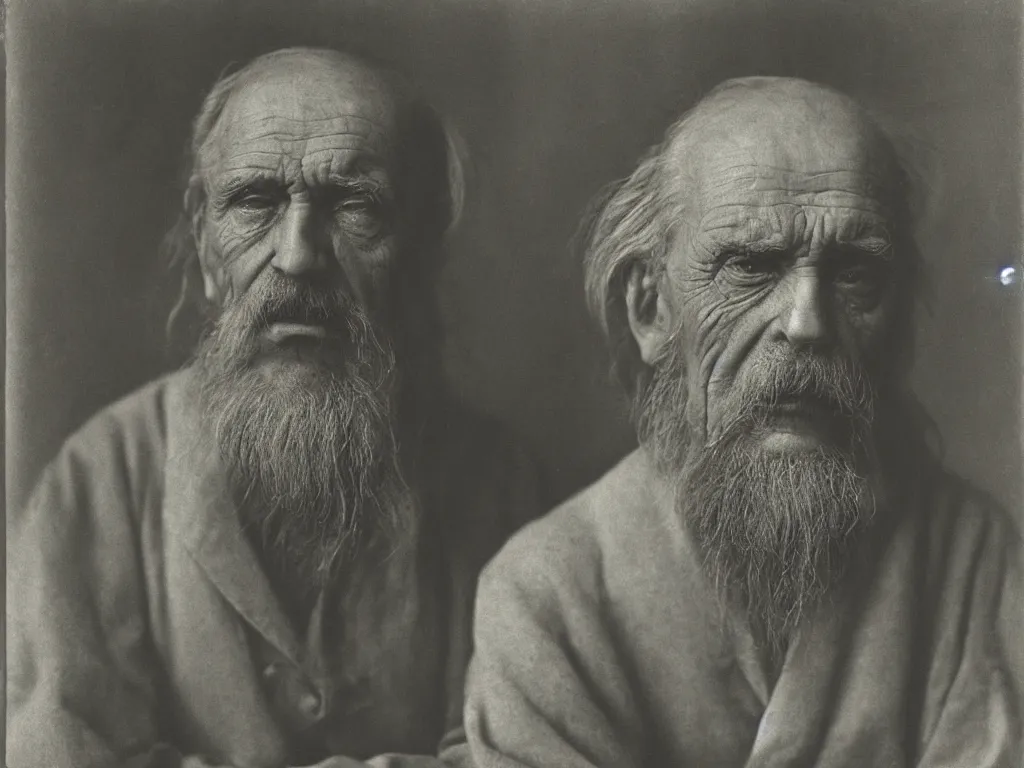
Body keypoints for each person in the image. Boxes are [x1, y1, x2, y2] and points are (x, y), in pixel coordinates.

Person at [461, 77, 1022, 767]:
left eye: (854, 273)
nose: (805, 324)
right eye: (751, 266)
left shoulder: (968, 558)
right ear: (651, 309)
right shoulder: (547, 596)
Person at [8, 47, 544, 768]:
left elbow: (517, 750)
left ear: (419, 248)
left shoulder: (505, 488)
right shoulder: (97, 484)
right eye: (256, 202)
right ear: (204, 241)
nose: (298, 254)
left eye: (356, 206)